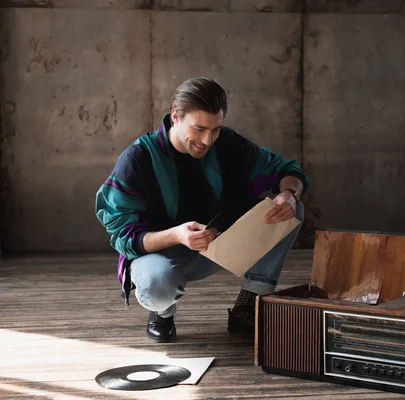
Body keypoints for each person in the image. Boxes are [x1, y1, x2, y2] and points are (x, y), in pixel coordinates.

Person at [95, 77, 308, 342]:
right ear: (175, 116)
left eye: (215, 130)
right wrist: (177, 235)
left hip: (218, 247)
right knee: (155, 284)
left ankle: (248, 306)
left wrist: (289, 194)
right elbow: (123, 237)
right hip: (161, 255)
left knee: (291, 210)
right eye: (199, 129)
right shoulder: (137, 158)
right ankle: (163, 311)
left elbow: (286, 170)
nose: (207, 140)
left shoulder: (227, 143)